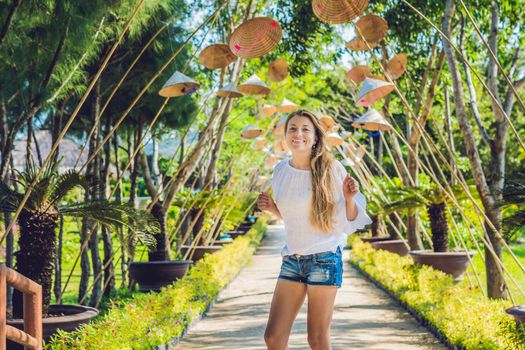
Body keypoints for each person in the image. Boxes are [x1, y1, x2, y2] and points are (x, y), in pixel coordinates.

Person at [258, 109, 372, 350]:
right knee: (273, 338)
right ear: (286, 135)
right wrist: (272, 210)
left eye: (305, 129)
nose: (298, 134)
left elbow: (348, 220)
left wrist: (350, 198)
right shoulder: (280, 171)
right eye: (293, 128)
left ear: (316, 137)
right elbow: (295, 217)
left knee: (317, 339)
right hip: (292, 259)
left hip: (324, 258)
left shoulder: (331, 169)